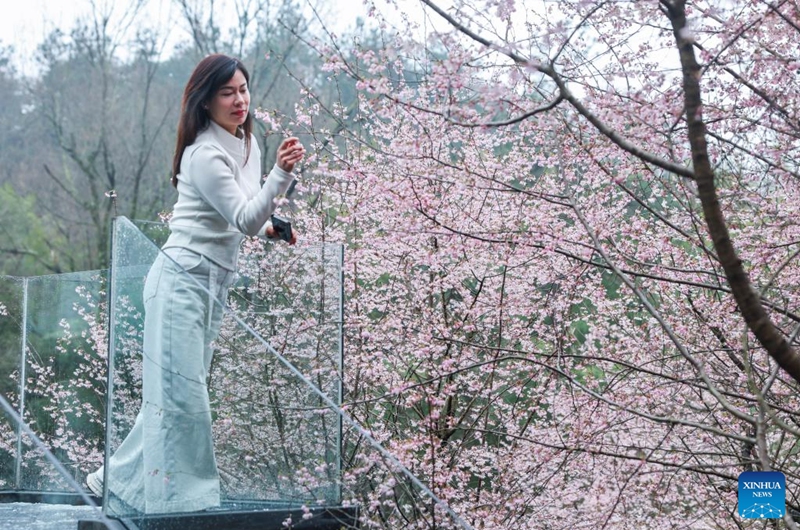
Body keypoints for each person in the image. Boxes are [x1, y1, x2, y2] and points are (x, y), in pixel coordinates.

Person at [86, 54, 305, 515]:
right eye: (227, 92)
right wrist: (280, 178)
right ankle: (187, 506)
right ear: (205, 102)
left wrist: (273, 227)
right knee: (185, 398)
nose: (239, 99)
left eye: (243, 89)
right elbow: (244, 219)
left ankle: (112, 481)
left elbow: (244, 213)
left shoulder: (247, 146)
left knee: (171, 395)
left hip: (211, 286)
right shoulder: (204, 153)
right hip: (180, 283)